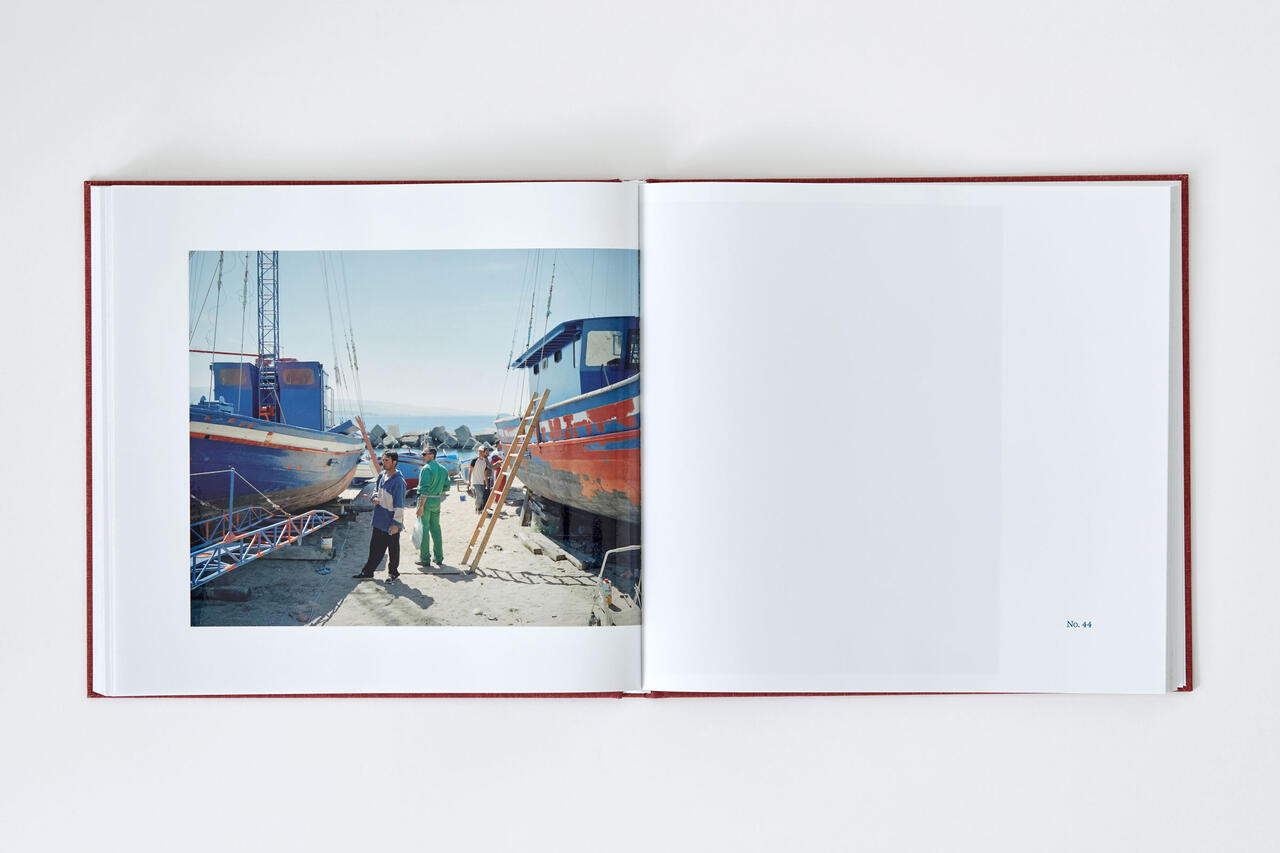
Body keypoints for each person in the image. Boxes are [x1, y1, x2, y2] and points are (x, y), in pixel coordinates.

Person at [352, 451, 406, 581]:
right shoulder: (381, 475)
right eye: (383, 460)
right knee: (374, 548)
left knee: (393, 549)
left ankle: (393, 573)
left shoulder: (399, 482)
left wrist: (396, 524)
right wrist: (374, 497)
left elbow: (400, 505)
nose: (384, 463)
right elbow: (375, 490)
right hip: (378, 518)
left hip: (391, 521)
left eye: (387, 460)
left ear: (394, 462)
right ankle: (368, 572)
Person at [415, 447, 451, 567]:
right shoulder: (443, 469)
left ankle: (425, 559)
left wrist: (421, 506)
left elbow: (424, 490)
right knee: (436, 529)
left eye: (424, 454)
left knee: (424, 529)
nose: (422, 456)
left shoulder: (427, 468)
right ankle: (438, 557)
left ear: (432, 455)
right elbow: (447, 487)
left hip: (426, 500)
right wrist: (437, 490)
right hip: (436, 500)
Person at [468, 447, 491, 513]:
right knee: (480, 495)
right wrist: (469, 481)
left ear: (484, 453)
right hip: (475, 481)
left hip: (482, 482)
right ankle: (478, 509)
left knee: (481, 496)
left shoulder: (485, 461)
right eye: (479, 451)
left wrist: (487, 483)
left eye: (481, 451)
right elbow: (470, 471)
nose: (480, 453)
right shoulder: (474, 460)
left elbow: (485, 473)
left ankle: (478, 508)